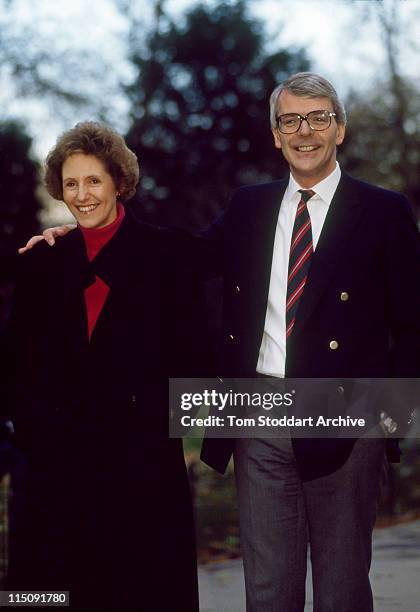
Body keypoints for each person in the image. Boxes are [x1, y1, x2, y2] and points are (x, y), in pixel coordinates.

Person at [200, 73, 420, 611]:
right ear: (275, 134)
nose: (305, 131)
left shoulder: (384, 212)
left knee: (342, 590)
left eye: (319, 117)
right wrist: (94, 229)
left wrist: (388, 422)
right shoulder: (249, 206)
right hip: (259, 411)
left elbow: (414, 324)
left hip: (347, 416)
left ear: (339, 129)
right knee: (269, 591)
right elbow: (180, 261)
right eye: (290, 119)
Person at [4, 121, 206, 610]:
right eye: (70, 184)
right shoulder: (40, 262)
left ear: (119, 180)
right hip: (53, 474)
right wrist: (29, 441)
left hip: (140, 471)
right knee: (45, 597)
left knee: (141, 592)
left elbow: (193, 354)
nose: (82, 194)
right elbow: (15, 366)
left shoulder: (168, 254)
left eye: (93, 180)